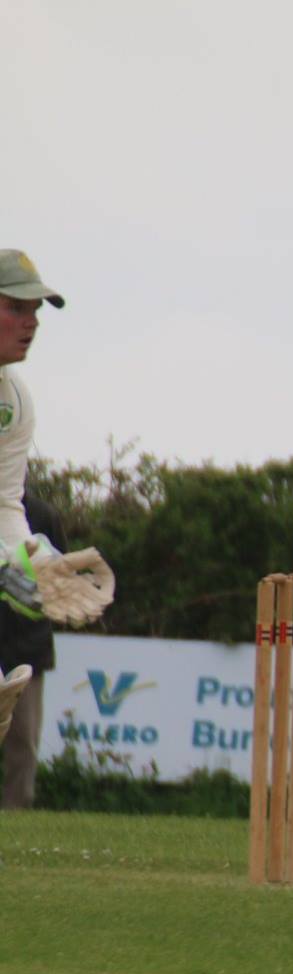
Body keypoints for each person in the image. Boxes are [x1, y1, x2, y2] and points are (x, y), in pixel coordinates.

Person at [0, 249, 67, 755]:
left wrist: (35, 561)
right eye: (17, 308)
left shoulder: (14, 402)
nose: (32, 322)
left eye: (36, 310)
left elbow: (5, 505)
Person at [0, 490, 64, 807]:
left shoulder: (42, 515)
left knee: (22, 742)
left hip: (27, 647)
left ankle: (16, 814)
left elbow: (58, 577)